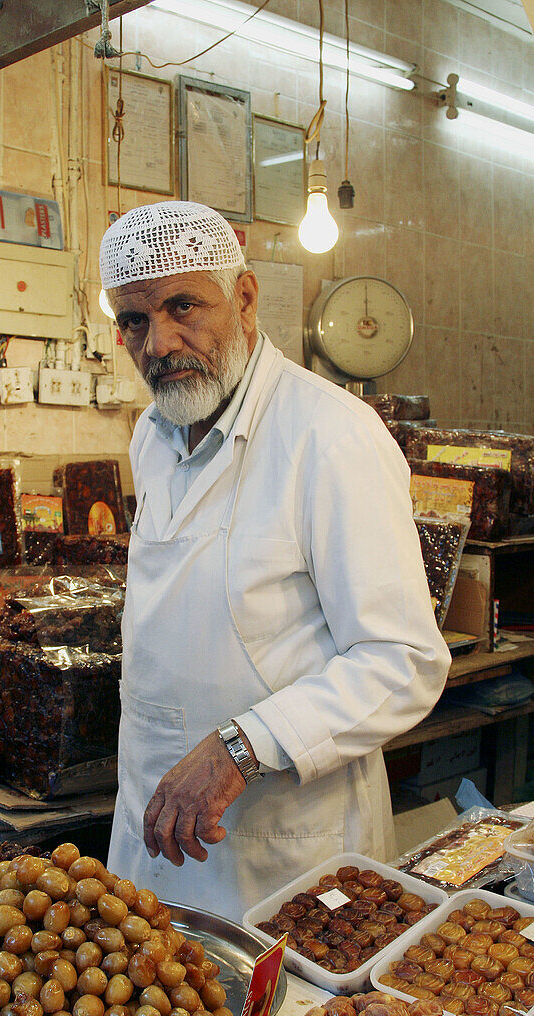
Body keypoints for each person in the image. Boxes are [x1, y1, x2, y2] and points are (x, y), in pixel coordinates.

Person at [99, 200, 451, 921]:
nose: (159, 342)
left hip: (284, 847)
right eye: (134, 320)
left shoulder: (329, 436)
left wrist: (242, 747)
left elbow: (403, 658)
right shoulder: (152, 435)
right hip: (152, 823)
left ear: (246, 299)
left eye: (182, 307)